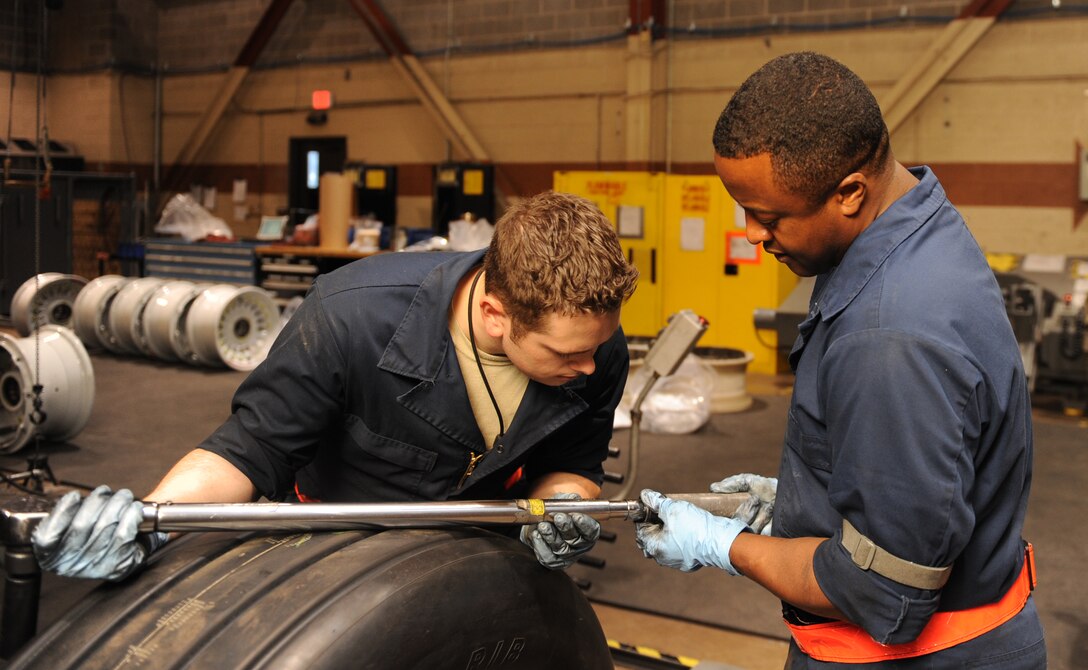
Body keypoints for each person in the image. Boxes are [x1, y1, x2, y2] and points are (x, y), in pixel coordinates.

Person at [635, 52, 1046, 667]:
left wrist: (727, 545)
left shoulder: (889, 338)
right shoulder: (915, 229)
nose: (750, 234)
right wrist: (806, 502)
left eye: (768, 217)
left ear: (850, 192)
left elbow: (882, 587)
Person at [33, 190, 640, 580]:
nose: (591, 367)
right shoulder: (349, 317)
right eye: (570, 353)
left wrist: (564, 504)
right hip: (332, 557)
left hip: (483, 562)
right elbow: (251, 448)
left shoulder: (596, 348)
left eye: (596, 347)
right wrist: (150, 523)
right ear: (494, 314)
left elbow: (572, 458)